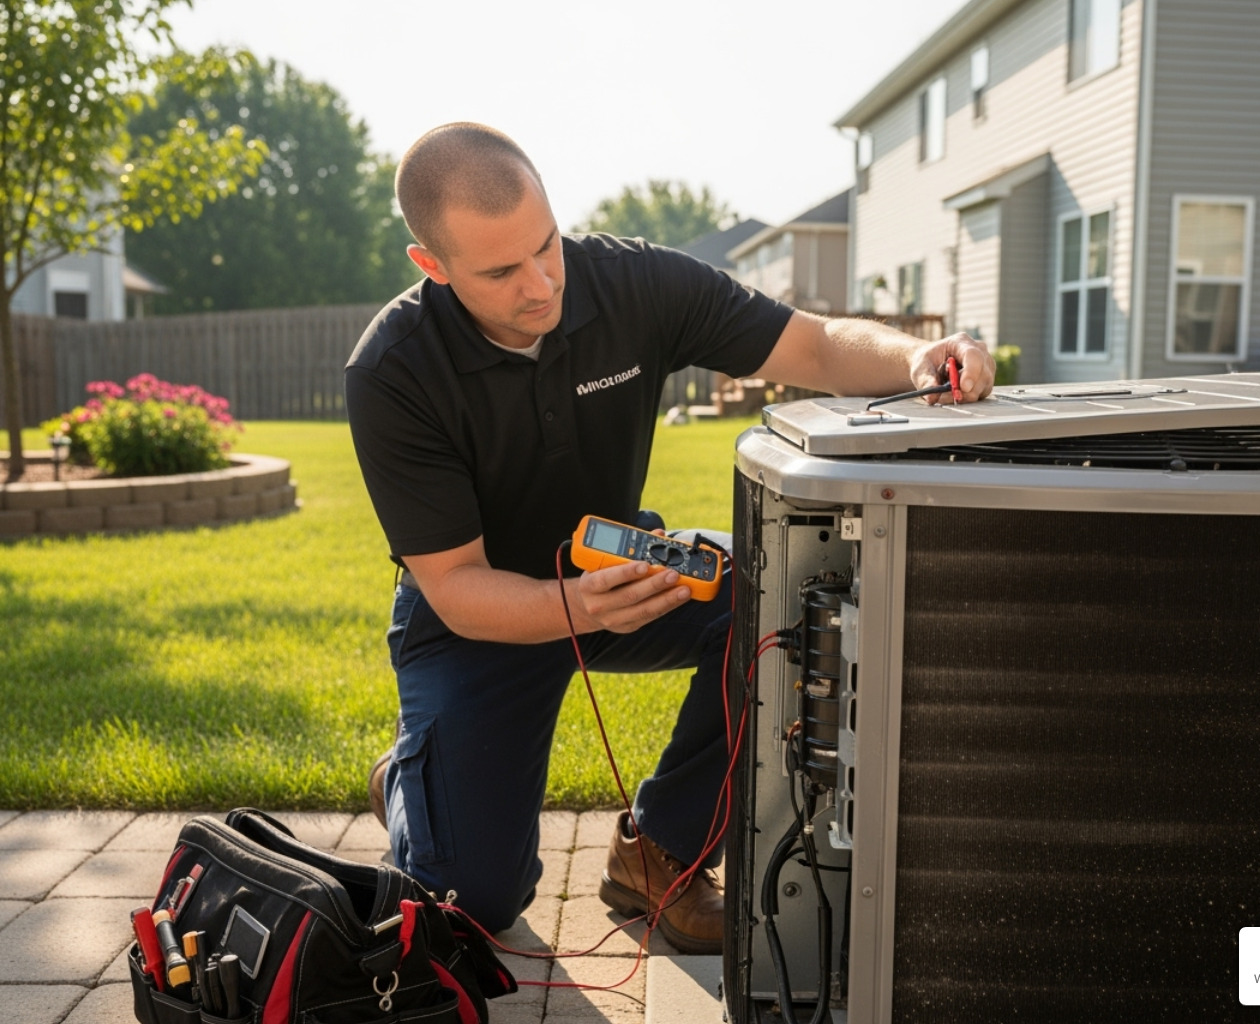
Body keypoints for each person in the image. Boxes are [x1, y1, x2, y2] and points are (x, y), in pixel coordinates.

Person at [344, 122, 994, 953]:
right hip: (478, 621)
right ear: (431, 265)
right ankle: (407, 780)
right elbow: (455, 584)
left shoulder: (636, 283)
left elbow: (814, 343)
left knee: (784, 600)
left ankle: (660, 854)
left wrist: (917, 357)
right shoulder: (393, 370)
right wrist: (576, 607)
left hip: (621, 568)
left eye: (546, 245)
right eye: (501, 272)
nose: (541, 285)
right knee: (474, 902)